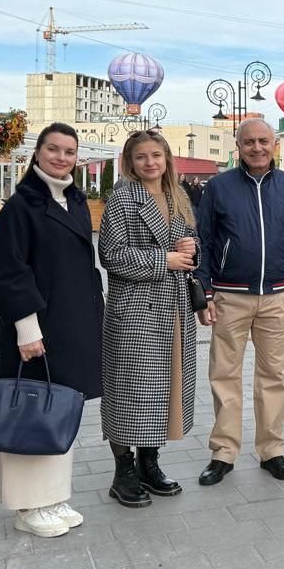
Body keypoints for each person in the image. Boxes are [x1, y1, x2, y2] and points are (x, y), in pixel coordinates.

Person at [0, 123, 104, 537]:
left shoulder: (73, 200)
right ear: (37, 153)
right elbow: (9, 271)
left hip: (70, 326)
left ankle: (52, 497)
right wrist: (26, 328)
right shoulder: (21, 206)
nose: (61, 157)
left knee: (58, 412)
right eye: (52, 149)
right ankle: (27, 506)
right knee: (31, 414)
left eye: (69, 151)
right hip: (36, 329)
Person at [194, 118, 284, 485]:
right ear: (238, 145)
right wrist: (205, 294)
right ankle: (223, 452)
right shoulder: (218, 187)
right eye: (249, 142)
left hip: (277, 296)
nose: (257, 148)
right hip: (229, 297)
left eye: (263, 141)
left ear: (274, 143)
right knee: (224, 375)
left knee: (273, 376)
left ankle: (271, 450)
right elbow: (204, 241)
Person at [99, 129, 199, 508]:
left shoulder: (178, 195)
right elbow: (111, 255)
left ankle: (149, 461)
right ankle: (123, 469)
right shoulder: (122, 197)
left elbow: (188, 245)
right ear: (129, 162)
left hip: (172, 308)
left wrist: (191, 248)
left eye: (156, 155)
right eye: (141, 156)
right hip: (136, 310)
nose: (150, 163)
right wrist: (166, 260)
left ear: (167, 158)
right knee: (131, 390)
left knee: (163, 390)